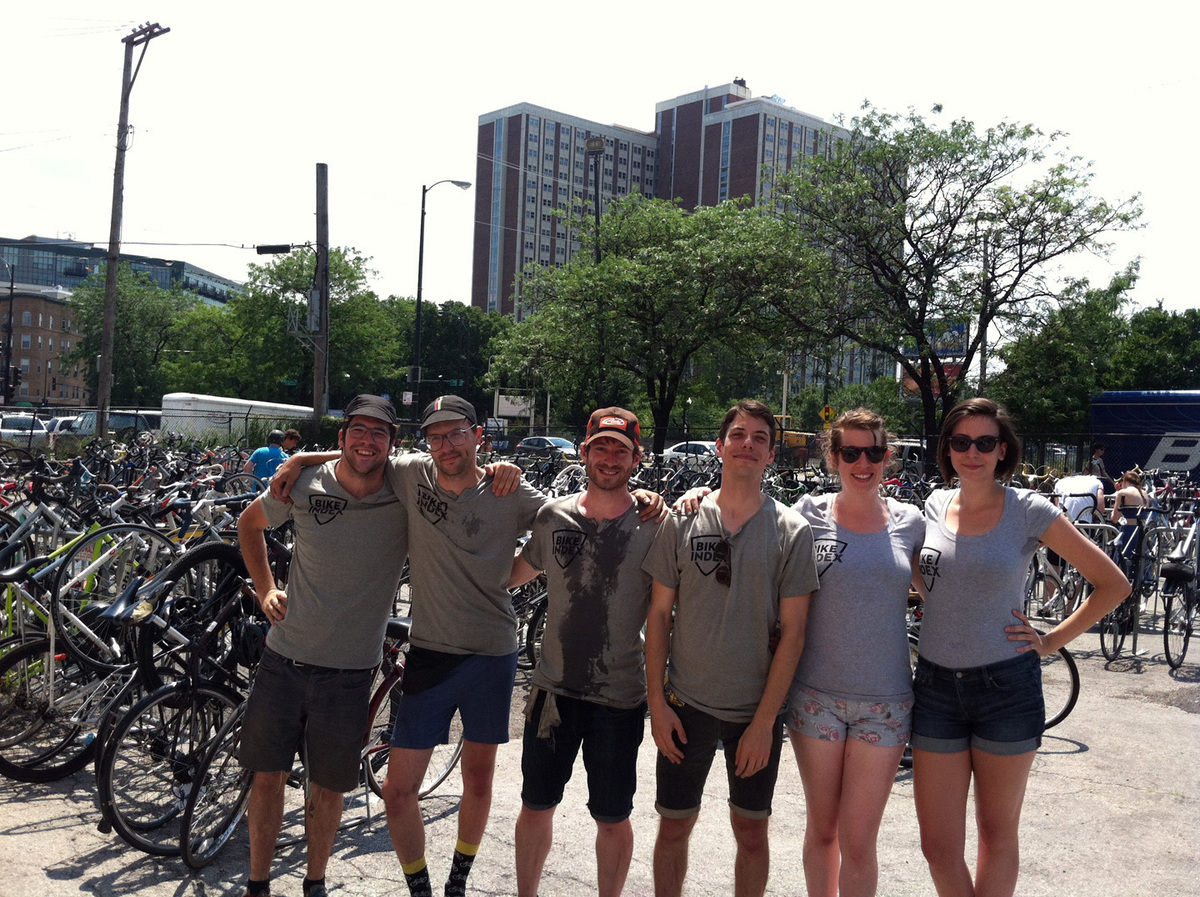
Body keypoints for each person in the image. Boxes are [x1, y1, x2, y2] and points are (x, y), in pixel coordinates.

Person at [272, 395, 664, 897]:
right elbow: (362, 455)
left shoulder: (516, 495)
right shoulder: (411, 473)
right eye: (436, 435)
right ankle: (420, 888)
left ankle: (458, 882)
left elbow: (582, 511)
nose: (446, 443)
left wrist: (652, 499)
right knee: (397, 790)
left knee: (479, 784)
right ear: (425, 442)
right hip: (430, 649)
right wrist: (302, 458)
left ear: (478, 436)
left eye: (458, 432)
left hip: (492, 653)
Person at [912, 398, 1129, 897]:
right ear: (948, 448)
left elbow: (1112, 584)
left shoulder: (1028, 509)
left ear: (1002, 450)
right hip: (937, 688)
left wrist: (1050, 641)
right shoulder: (932, 506)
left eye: (985, 442)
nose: (972, 452)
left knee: (996, 834)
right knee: (938, 846)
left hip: (1005, 687)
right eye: (961, 441)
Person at [643, 399, 818, 897]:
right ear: (719, 447)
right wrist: (656, 704)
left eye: (760, 438)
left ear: (771, 455)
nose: (748, 444)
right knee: (674, 825)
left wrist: (765, 722)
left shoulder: (791, 530)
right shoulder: (682, 520)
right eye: (739, 435)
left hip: (753, 713)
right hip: (685, 705)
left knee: (752, 832)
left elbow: (795, 633)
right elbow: (658, 617)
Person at [235, 395, 408, 897]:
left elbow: (453, 466)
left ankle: (315, 882)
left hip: (349, 673)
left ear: (393, 445)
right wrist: (265, 588)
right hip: (283, 659)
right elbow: (250, 525)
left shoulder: (404, 492)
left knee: (328, 787)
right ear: (342, 437)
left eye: (380, 433)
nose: (367, 440)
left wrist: (303, 454)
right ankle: (258, 884)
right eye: (358, 430)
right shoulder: (305, 485)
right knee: (266, 778)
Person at [508, 407, 661, 897]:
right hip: (553, 691)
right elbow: (513, 574)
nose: (609, 457)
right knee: (535, 805)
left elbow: (668, 610)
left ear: (637, 458)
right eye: (601, 447)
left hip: (618, 696)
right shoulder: (554, 517)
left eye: (621, 449)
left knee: (613, 817)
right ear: (584, 453)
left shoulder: (655, 524)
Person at [786, 409, 924, 897]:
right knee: (822, 832)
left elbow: (944, 589)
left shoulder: (911, 522)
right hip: (814, 697)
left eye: (874, 452)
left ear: (888, 458)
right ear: (833, 457)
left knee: (860, 841)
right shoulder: (806, 513)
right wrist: (699, 495)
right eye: (851, 452)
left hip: (886, 703)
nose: (863, 463)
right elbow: (750, 521)